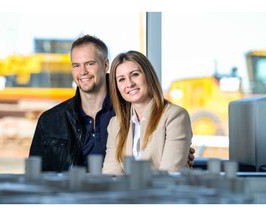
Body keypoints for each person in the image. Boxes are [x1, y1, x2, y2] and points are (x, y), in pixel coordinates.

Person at [29, 34, 195, 173]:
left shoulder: (124, 111)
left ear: (105, 65)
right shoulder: (50, 121)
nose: (82, 72)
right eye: (76, 65)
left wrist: (177, 152)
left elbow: (167, 167)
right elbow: (35, 175)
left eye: (90, 63)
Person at [102, 50, 193, 175]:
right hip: (126, 193)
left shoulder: (175, 116)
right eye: (121, 79)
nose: (129, 83)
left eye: (135, 74)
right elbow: (110, 174)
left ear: (148, 76)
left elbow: (169, 174)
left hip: (163, 193)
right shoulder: (115, 124)